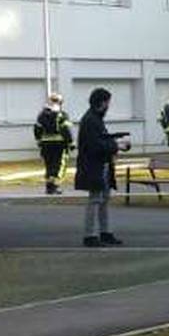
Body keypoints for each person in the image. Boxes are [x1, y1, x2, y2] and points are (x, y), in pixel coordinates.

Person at [75, 87, 129, 248]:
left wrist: (114, 142)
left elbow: (100, 139)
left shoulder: (94, 119)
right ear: (103, 102)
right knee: (95, 200)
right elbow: (96, 145)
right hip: (94, 166)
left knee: (103, 200)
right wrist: (116, 145)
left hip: (101, 166)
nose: (109, 106)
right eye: (108, 102)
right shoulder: (91, 120)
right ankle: (89, 235)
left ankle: (105, 232)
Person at [32, 93, 73, 195]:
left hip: (45, 145)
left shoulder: (41, 115)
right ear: (60, 103)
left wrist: (39, 141)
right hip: (59, 145)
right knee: (58, 165)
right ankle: (54, 187)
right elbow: (65, 129)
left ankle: (49, 187)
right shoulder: (61, 115)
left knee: (49, 165)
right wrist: (71, 142)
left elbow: (37, 129)